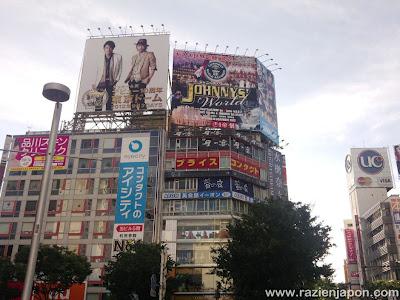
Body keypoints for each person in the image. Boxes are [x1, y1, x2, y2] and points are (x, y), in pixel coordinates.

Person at [124, 39, 157, 110]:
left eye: (142, 46)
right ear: (136, 46)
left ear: (145, 46)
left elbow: (153, 68)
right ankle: (133, 115)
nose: (140, 47)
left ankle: (141, 115)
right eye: (139, 46)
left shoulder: (149, 54)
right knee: (133, 99)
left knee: (141, 98)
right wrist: (128, 79)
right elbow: (132, 69)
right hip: (132, 80)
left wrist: (149, 78)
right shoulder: (134, 57)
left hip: (142, 79)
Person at [94, 40, 122, 111]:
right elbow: (97, 71)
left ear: (113, 49)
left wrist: (116, 80)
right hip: (101, 81)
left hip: (111, 81)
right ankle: (97, 113)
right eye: (106, 48)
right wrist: (95, 82)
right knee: (99, 97)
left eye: (110, 48)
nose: (108, 49)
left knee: (109, 98)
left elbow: (120, 69)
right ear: (104, 49)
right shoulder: (100, 57)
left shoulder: (118, 57)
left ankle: (108, 113)